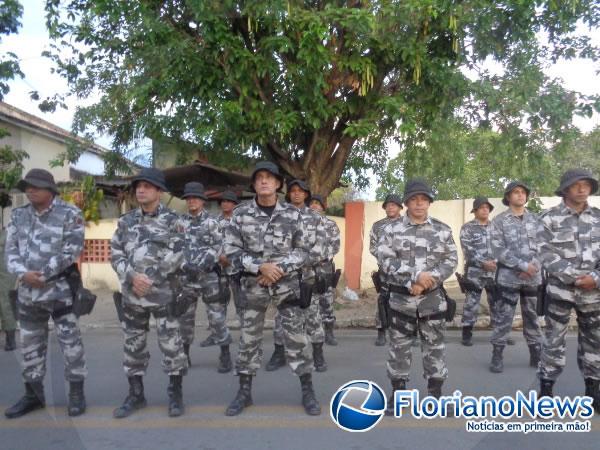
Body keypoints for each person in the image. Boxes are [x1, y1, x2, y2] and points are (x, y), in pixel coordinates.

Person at [223, 161, 320, 416]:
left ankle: (307, 391)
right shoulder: (240, 215)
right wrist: (259, 267)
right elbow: (231, 252)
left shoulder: (293, 214)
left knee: (297, 339)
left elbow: (305, 250)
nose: (264, 181)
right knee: (248, 339)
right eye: (259, 178)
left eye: (269, 178)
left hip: (286, 286)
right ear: (254, 184)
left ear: (278, 184)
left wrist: (278, 268)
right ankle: (244, 392)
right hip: (253, 285)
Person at [4, 169, 87, 419]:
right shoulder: (18, 216)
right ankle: (33, 395)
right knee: (29, 344)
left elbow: (71, 250)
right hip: (28, 293)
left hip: (60, 292)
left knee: (70, 345)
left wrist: (43, 274)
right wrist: (23, 273)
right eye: (27, 186)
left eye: (36, 186)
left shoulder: (70, 214)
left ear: (50, 190)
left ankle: (76, 394)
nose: (30, 190)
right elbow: (10, 251)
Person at [111, 168, 188, 418]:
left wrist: (150, 278)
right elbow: (115, 253)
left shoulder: (174, 220)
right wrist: (133, 277)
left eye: (146, 186)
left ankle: (175, 394)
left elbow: (179, 253)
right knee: (133, 346)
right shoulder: (126, 221)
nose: (140, 190)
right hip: (133, 296)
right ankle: (136, 395)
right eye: (138, 186)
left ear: (158, 191)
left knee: (172, 346)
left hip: (164, 294)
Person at [377, 179, 457, 415]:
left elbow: (451, 260)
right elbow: (385, 259)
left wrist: (428, 280)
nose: (419, 203)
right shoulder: (391, 230)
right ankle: (398, 394)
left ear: (429, 202)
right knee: (399, 348)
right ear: (407, 202)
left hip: (432, 300)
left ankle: (435, 395)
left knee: (435, 347)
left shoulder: (442, 230)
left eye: (424, 199)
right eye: (414, 199)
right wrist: (413, 277)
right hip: (401, 299)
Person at [538, 169, 600, 413]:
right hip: (561, 291)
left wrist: (594, 278)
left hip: (594, 293)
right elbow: (544, 252)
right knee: (554, 339)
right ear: (565, 189)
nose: (582, 189)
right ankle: (546, 388)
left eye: (586, 185)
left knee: (594, 342)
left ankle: (593, 390)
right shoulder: (549, 218)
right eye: (576, 185)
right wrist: (576, 278)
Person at [266, 179, 328, 372]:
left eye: (300, 191)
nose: (296, 194)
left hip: (308, 275)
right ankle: (278, 353)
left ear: (306, 194)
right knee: (281, 317)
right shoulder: (278, 216)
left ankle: (318, 353)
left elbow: (320, 249)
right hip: (283, 278)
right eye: (292, 190)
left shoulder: (315, 218)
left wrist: (296, 262)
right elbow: (273, 247)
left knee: (313, 316)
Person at [489, 181, 544, 373]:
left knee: (532, 317)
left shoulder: (537, 220)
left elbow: (545, 247)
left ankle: (536, 354)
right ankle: (497, 355)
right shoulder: (499, 221)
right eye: (516, 192)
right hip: (508, 278)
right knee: (504, 317)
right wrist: (522, 265)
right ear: (508, 197)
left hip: (532, 278)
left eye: (523, 192)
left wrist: (533, 267)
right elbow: (497, 249)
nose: (520, 195)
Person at [178, 182, 231, 372]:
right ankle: (184, 355)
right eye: (189, 198)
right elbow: (174, 248)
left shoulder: (212, 222)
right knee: (184, 318)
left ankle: (225, 354)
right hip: (186, 279)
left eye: (195, 197)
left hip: (208, 277)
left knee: (216, 318)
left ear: (202, 200)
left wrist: (201, 265)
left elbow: (219, 246)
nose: (192, 201)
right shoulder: (179, 223)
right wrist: (185, 265)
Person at [459, 197, 503, 346]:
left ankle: (500, 333)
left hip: (494, 272)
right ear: (475, 211)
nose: (485, 210)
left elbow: (503, 248)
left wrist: (495, 263)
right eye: (482, 207)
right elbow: (467, 249)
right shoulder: (467, 228)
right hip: (475, 273)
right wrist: (483, 263)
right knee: (471, 303)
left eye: (487, 207)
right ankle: (467, 333)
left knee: (497, 302)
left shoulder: (496, 227)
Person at [369, 193, 403, 346]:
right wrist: (387, 261)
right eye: (387, 205)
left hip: (404, 271)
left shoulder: (408, 223)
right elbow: (373, 247)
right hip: (385, 270)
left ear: (400, 207)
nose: (390, 207)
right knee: (383, 300)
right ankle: (381, 331)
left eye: (393, 205)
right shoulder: (378, 225)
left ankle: (409, 332)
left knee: (407, 300)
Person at [309, 194, 341, 346]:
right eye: (312, 203)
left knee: (326, 301)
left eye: (318, 203)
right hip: (307, 269)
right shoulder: (302, 223)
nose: (314, 205)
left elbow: (335, 246)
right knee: (308, 300)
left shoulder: (331, 224)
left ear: (323, 207)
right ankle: (312, 333)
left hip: (325, 267)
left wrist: (321, 257)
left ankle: (329, 332)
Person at [0, 224, 17, 351]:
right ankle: (10, 341)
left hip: (6, 275)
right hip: (8, 274)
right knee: (6, 305)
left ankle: (11, 341)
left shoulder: (6, 237)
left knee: (6, 306)